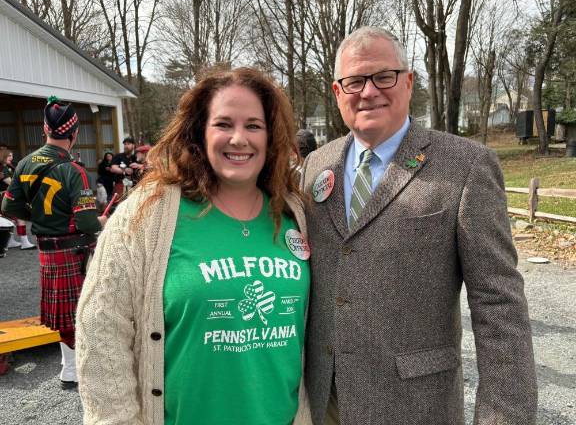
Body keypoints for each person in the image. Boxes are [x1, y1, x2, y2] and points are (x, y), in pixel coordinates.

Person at [300, 27, 537, 425]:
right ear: (338, 92)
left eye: (383, 76)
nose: (369, 91)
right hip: (324, 402)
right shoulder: (314, 167)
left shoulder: (465, 166)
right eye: (354, 81)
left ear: (408, 83)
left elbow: (499, 304)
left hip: (414, 405)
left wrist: (504, 416)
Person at [76, 67, 312, 425]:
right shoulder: (145, 215)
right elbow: (100, 330)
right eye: (223, 124)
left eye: (253, 125)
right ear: (199, 132)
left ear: (271, 136)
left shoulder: (295, 212)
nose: (238, 138)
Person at [1, 97, 107, 389]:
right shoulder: (74, 171)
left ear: (45, 131)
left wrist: (37, 217)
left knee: (65, 316)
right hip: (75, 252)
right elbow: (87, 223)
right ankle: (82, 370)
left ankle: (68, 370)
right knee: (85, 311)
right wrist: (102, 222)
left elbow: (8, 209)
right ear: (74, 133)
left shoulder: (24, 163)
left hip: (48, 253)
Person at [0, 149, 36, 250]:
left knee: (10, 219)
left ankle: (10, 241)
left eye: (11, 156)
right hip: (6, 196)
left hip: (6, 195)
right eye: (9, 156)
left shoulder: (8, 167)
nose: (11, 158)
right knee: (20, 218)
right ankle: (24, 242)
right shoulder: (3, 168)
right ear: (3, 156)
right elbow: (11, 183)